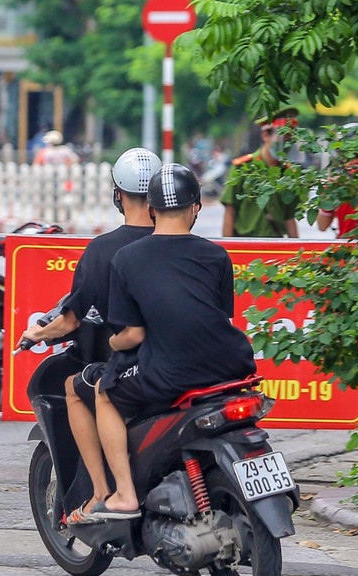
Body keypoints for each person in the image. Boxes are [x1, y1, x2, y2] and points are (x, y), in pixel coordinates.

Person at [83, 164, 257, 521]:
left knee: (103, 391)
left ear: (151, 208)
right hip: (232, 365)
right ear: (197, 208)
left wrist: (114, 344)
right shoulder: (216, 255)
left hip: (172, 373)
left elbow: (133, 335)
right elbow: (219, 319)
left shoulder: (127, 258)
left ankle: (124, 494)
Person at [18, 147, 162, 523]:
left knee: (75, 388)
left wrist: (36, 333)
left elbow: (70, 321)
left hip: (132, 366)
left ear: (118, 194)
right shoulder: (186, 247)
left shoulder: (105, 251)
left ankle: (102, 492)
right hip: (185, 361)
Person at [221, 111, 300, 238]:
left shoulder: (288, 173)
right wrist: (228, 251)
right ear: (265, 135)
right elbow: (230, 211)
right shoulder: (243, 168)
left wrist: (296, 253)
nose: (287, 141)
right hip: (246, 245)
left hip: (277, 245)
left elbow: (289, 217)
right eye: (282, 135)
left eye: (290, 137)